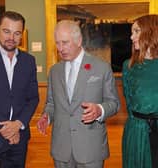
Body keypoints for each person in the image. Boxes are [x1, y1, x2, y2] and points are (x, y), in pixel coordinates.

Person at [37, 20, 120, 168]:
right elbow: (51, 103)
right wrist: (47, 116)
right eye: (57, 43)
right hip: (61, 149)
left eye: (65, 42)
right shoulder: (54, 71)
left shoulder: (101, 67)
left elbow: (114, 103)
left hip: (90, 149)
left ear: (79, 40)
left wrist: (99, 110)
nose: (60, 48)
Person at [0, 11, 39, 167]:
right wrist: (6, 129)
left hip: (19, 140)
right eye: (6, 31)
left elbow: (33, 98)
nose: (11, 37)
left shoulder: (29, 61)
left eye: (17, 33)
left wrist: (18, 124)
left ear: (22, 34)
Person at [122, 14, 158, 168]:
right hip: (137, 132)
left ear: (150, 31)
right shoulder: (128, 66)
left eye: (136, 31)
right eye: (132, 32)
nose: (131, 37)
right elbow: (129, 101)